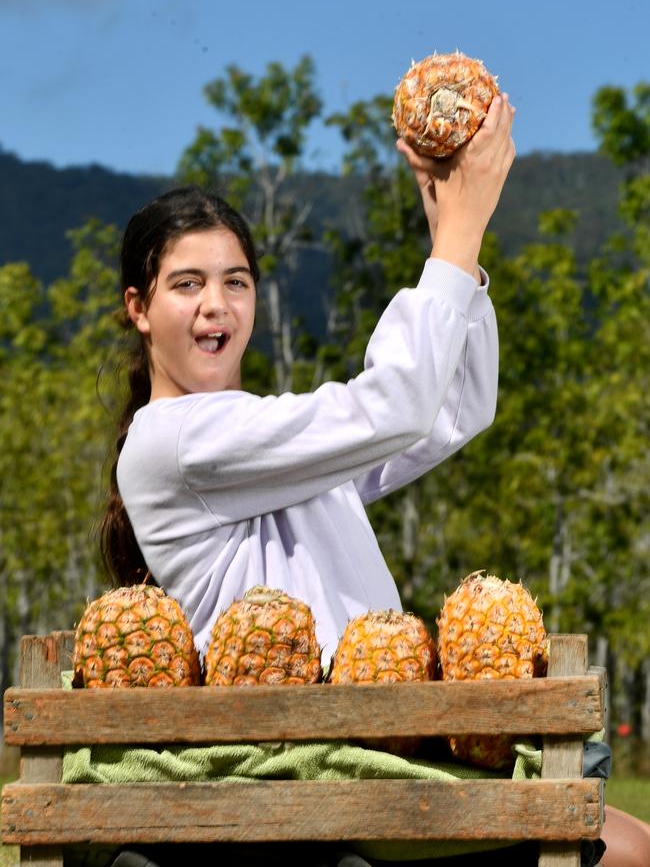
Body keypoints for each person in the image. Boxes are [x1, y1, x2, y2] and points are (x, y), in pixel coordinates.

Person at [98, 94, 650, 866]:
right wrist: (458, 230)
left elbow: (451, 411)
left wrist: (457, 245)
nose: (216, 305)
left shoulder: (261, 444)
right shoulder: (172, 440)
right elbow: (393, 407)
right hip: (327, 781)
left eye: (236, 281)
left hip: (373, 745)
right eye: (186, 284)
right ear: (139, 309)